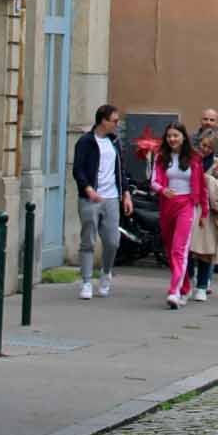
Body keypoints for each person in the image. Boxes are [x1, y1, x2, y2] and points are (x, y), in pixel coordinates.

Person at [71, 103, 132, 300]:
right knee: (88, 240)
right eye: (114, 121)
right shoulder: (86, 142)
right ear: (103, 121)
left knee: (112, 241)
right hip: (90, 198)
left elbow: (121, 170)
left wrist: (126, 194)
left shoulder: (114, 142)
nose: (117, 124)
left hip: (111, 197)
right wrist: (88, 188)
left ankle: (106, 273)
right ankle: (87, 281)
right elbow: (78, 169)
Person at [151, 120, 208, 309]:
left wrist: (204, 211)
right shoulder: (161, 157)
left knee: (179, 249)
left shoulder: (194, 159)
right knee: (170, 250)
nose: (172, 139)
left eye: (176, 135)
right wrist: (162, 190)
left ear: (183, 137)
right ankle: (184, 287)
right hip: (167, 205)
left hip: (187, 205)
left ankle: (173, 292)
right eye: (169, 136)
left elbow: (202, 185)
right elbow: (154, 181)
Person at [186, 128, 218, 302]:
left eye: (209, 147)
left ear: (214, 149)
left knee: (206, 251)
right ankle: (188, 281)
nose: (204, 150)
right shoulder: (190, 160)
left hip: (208, 214)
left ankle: (202, 286)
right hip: (191, 208)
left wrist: (207, 180)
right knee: (187, 249)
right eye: (203, 145)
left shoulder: (217, 165)